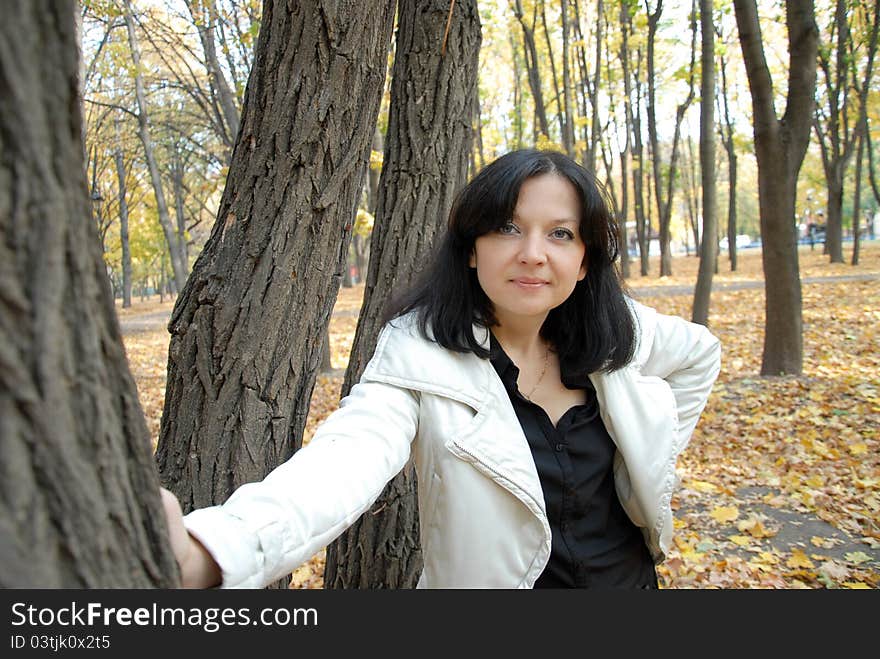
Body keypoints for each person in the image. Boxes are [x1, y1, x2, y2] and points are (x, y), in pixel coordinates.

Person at [161, 149, 721, 589]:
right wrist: (212, 551)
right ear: (472, 248)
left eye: (560, 233)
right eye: (507, 227)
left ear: (583, 261)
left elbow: (700, 355)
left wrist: (650, 462)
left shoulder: (619, 331)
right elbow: (342, 463)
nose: (532, 252)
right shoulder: (419, 353)